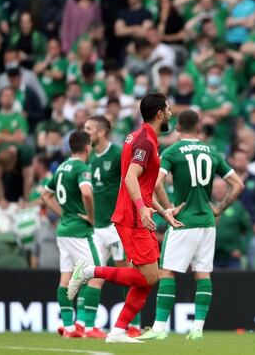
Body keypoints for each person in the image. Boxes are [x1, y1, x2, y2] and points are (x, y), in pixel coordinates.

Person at [66, 93, 184, 343]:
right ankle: (88, 270)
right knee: (149, 277)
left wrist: (166, 211)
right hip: (132, 217)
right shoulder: (145, 142)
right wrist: (142, 208)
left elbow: (145, 183)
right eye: (169, 109)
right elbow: (130, 178)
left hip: (138, 214)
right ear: (160, 114)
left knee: (147, 279)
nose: (171, 114)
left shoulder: (140, 137)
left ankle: (118, 330)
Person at [139, 109, 244, 341]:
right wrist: (219, 208)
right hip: (207, 221)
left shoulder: (172, 151)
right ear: (198, 127)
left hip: (183, 221)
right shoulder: (212, 152)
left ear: (177, 128)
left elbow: (156, 184)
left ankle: (159, 328)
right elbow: (238, 185)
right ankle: (197, 329)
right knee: (202, 274)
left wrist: (168, 211)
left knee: (166, 272)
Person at [39, 131, 101, 339]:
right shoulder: (82, 168)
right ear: (87, 147)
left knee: (67, 279)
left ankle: (69, 327)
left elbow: (45, 196)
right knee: (94, 275)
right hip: (78, 231)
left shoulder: (62, 167)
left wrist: (63, 213)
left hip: (63, 230)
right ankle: (86, 326)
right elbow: (86, 192)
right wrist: (91, 216)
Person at [84, 116, 125, 338]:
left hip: (116, 225)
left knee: (126, 273)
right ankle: (88, 327)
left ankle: (132, 324)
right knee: (95, 275)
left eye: (88, 129)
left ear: (101, 132)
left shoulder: (118, 154)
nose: (85, 132)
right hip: (96, 227)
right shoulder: (87, 156)